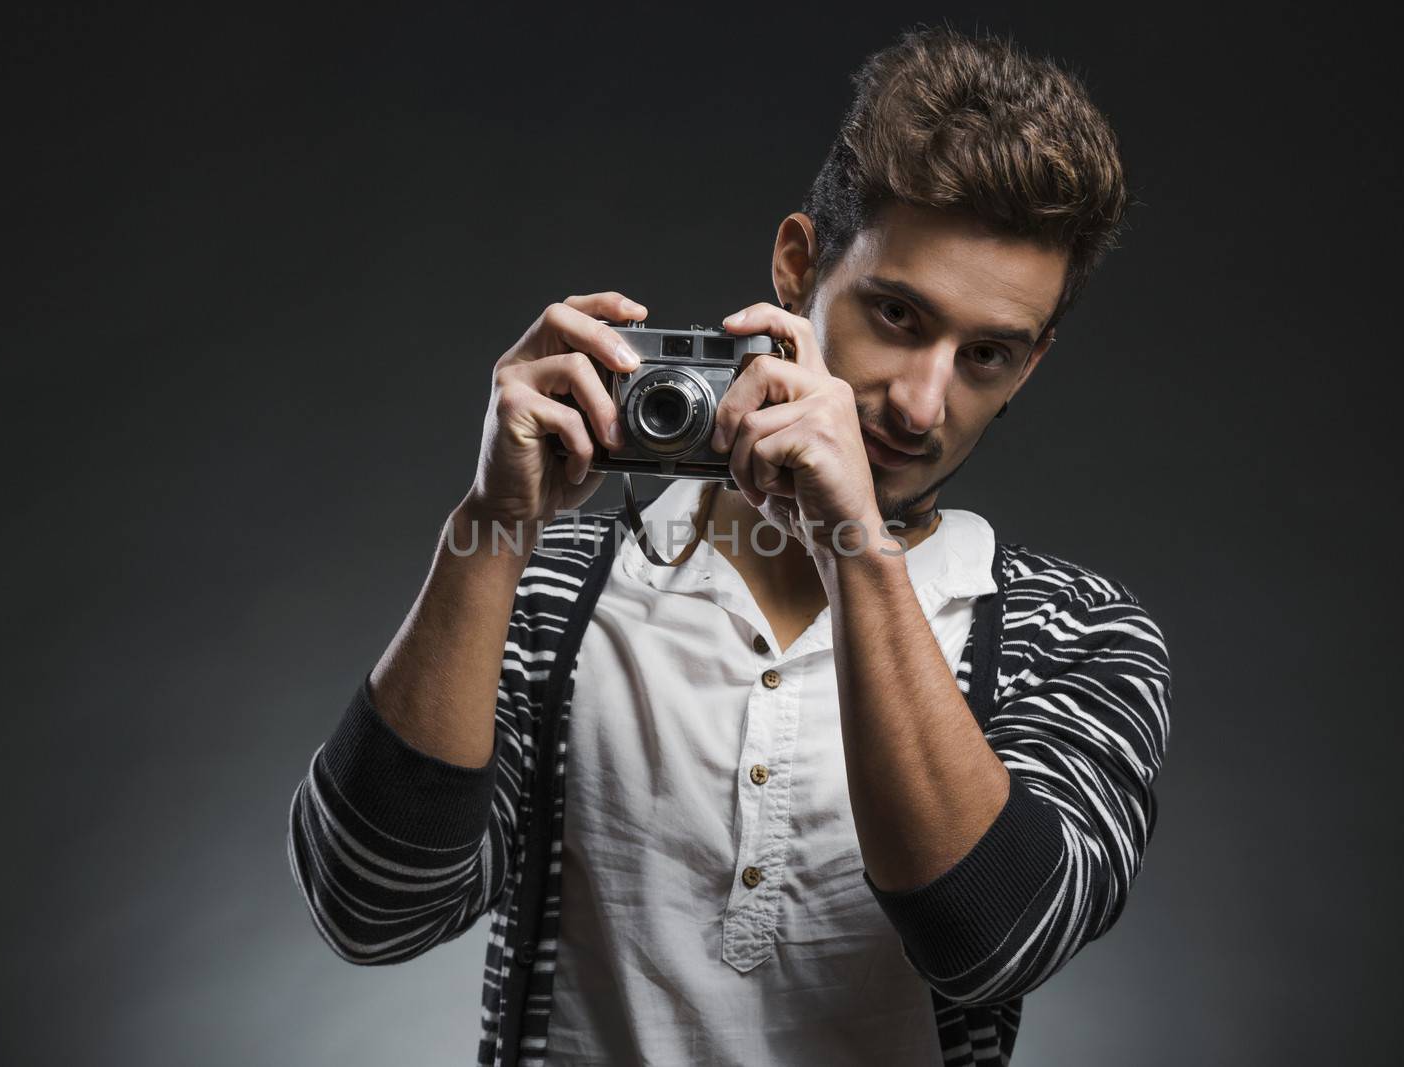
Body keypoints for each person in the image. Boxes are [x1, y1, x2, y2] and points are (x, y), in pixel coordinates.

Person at [287, 23, 1172, 1067]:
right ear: (799, 266)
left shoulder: (1078, 635)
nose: (924, 401)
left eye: (986, 354)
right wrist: (490, 529)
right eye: (895, 313)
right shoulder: (553, 592)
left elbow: (990, 938)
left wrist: (854, 549)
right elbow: (369, 907)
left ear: (1031, 364)